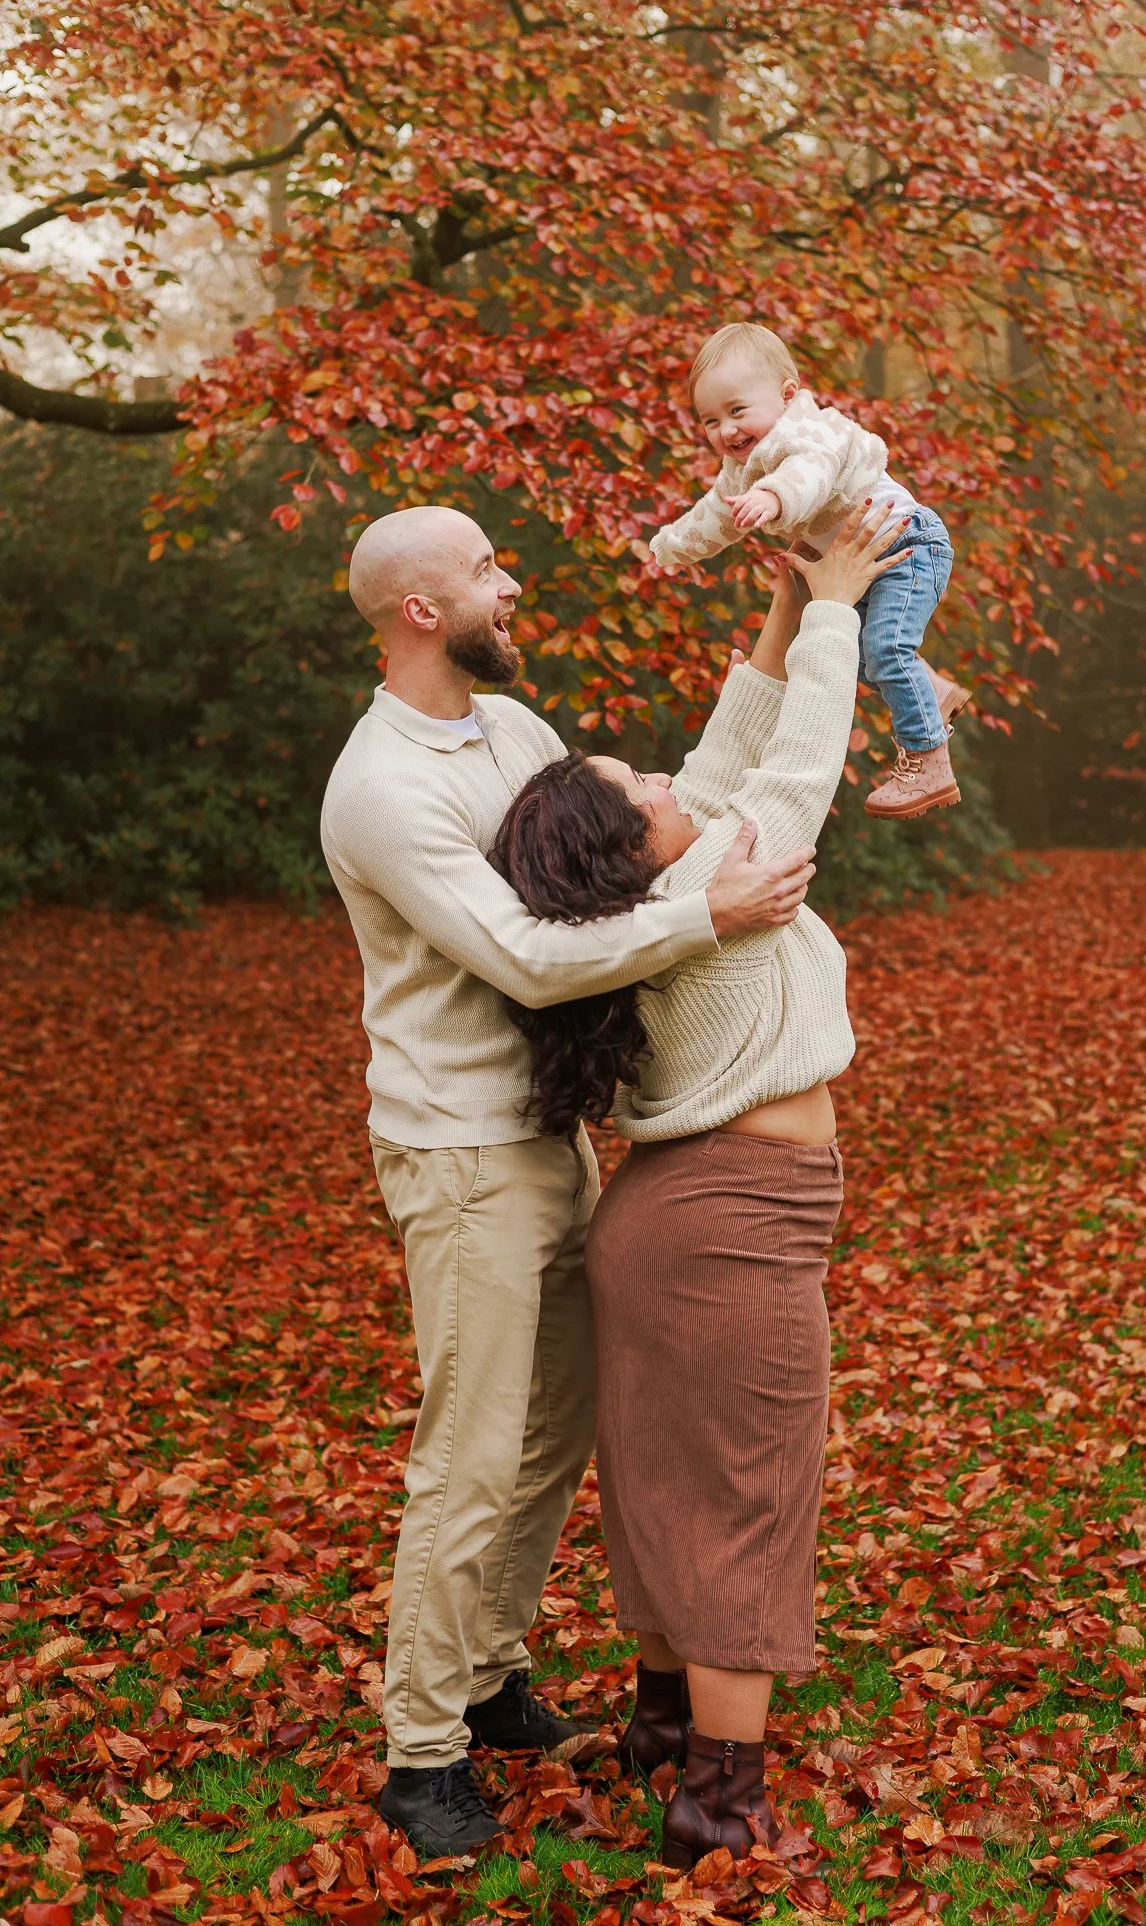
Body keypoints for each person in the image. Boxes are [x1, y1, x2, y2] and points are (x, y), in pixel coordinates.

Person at [319, 506, 820, 1860]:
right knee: (470, 1457)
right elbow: (528, 956)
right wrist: (706, 915)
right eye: (485, 569)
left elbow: (614, 859)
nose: (510, 581)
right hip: (458, 1152)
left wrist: (780, 629)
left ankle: (487, 1684)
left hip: (547, 1136)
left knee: (550, 1442)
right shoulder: (382, 787)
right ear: (421, 609)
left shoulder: (517, 736)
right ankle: (420, 1757)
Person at [490, 501, 904, 1868]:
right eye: (645, 790)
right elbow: (798, 758)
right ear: (639, 849)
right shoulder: (728, 878)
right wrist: (842, 601)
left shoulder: (653, 895)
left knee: (669, 1483)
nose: (672, 781)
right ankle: (717, 1809)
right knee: (744, 1495)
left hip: (682, 1218)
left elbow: (734, 736)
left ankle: (666, 1727)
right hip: (729, 1223)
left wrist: (785, 602)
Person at [649, 320, 967, 821]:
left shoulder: (814, 430)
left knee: (886, 649)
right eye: (709, 421)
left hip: (907, 542)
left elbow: (810, 474)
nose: (725, 430)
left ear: (787, 395)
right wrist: (673, 545)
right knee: (852, 655)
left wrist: (773, 497)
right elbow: (716, 512)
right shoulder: (744, 468)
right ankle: (933, 690)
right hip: (863, 556)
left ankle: (928, 758)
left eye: (736, 411)